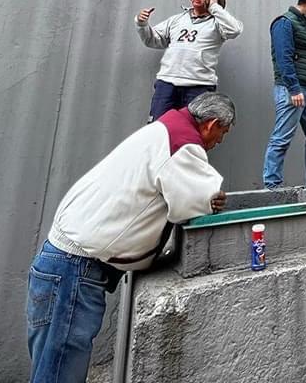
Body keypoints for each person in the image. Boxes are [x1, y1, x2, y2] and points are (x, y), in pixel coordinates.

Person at [25, 92, 235, 383]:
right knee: (59, 374)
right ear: (210, 125)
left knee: (50, 370)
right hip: (74, 270)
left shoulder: (162, 129)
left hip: (61, 263)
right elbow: (202, 196)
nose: (218, 143)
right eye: (221, 135)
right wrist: (215, 197)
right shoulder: (181, 143)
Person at [136, 0, 243, 121]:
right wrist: (142, 24)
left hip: (199, 86)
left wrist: (214, 8)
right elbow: (152, 40)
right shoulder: (176, 20)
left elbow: (234, 30)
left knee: (192, 131)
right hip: (167, 83)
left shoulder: (217, 23)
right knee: (159, 129)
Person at [262, 0, 306, 188]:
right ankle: (272, 186)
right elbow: (284, 58)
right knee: (282, 138)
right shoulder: (284, 23)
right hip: (292, 90)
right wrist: (294, 88)